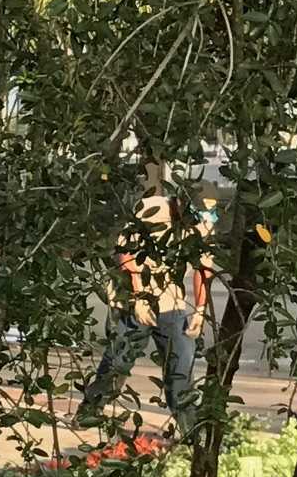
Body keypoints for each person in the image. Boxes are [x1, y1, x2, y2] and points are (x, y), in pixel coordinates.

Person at [78, 162, 208, 423]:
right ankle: (89, 412)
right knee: (119, 361)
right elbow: (125, 254)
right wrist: (138, 297)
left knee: (181, 368)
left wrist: (201, 309)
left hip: (172, 304)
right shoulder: (151, 209)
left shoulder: (199, 223)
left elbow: (203, 267)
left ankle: (190, 430)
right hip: (134, 300)